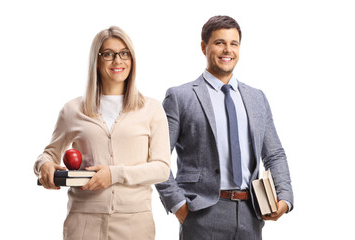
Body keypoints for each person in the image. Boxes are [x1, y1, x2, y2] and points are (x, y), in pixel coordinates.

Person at [155, 15, 294, 239]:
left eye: (233, 44)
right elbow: (157, 157)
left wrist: (285, 198)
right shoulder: (180, 97)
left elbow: (275, 154)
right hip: (201, 213)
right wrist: (178, 205)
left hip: (251, 213)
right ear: (204, 47)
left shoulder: (257, 98)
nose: (227, 50)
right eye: (219, 43)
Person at [34, 26, 171, 240]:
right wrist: (45, 165)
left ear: (132, 59)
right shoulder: (72, 110)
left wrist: (114, 174)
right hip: (83, 221)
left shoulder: (151, 109)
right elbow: (49, 154)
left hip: (135, 223)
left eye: (124, 53)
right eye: (108, 54)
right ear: (96, 61)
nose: (118, 60)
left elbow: (162, 169)